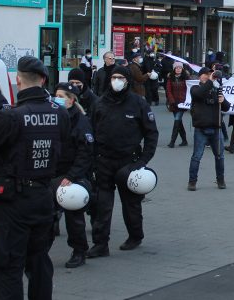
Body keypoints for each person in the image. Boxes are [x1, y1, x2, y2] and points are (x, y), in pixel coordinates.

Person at [0, 56, 72, 299]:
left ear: (17, 80)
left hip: (13, 200)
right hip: (44, 196)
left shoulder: (11, 116)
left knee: (6, 266)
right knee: (39, 262)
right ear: (44, 80)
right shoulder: (61, 113)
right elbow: (65, 149)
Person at [86, 64, 158, 258]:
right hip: (103, 162)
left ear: (128, 81)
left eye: (121, 78)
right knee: (102, 205)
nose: (117, 81)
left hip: (129, 163)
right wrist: (92, 160)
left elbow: (151, 134)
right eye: (114, 77)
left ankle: (135, 236)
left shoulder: (138, 103)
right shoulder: (99, 103)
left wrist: (142, 161)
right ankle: (101, 244)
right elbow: (90, 133)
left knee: (131, 204)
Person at [52, 83, 94, 269]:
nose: (57, 99)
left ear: (71, 100)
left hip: (72, 177)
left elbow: (85, 154)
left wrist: (71, 175)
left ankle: (79, 250)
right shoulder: (53, 117)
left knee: (73, 215)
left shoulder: (81, 122)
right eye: (56, 95)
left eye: (61, 96)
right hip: (52, 174)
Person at [187, 67, 230, 191]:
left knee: (220, 156)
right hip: (201, 128)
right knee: (197, 156)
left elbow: (226, 108)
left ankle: (220, 180)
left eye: (210, 75)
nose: (207, 76)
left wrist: (223, 100)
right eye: (205, 75)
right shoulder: (195, 88)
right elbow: (200, 94)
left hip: (216, 128)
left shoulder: (216, 89)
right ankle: (192, 181)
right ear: (200, 76)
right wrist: (210, 81)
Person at [165, 62, 190, 147]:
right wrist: (172, 101)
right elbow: (168, 91)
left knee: (177, 120)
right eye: (176, 68)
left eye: (180, 67)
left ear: (182, 69)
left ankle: (172, 141)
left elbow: (189, 90)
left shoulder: (186, 78)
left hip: (182, 103)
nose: (178, 69)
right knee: (179, 122)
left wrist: (187, 101)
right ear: (174, 69)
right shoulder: (170, 78)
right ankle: (184, 140)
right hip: (173, 103)